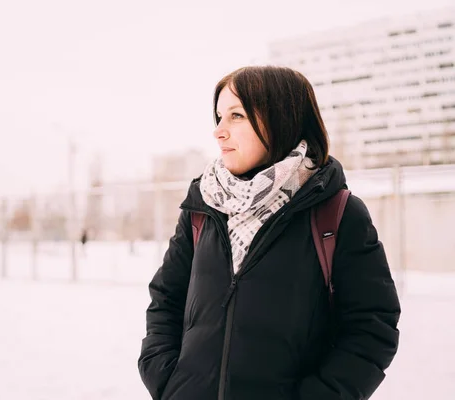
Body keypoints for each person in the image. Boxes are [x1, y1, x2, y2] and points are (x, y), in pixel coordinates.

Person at [138, 66, 400, 400]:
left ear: (280, 119)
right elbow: (165, 300)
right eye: (219, 117)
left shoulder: (336, 213)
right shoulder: (203, 208)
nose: (219, 132)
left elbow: (372, 328)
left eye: (236, 116)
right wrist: (166, 382)